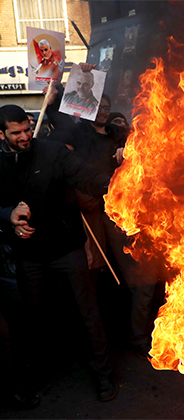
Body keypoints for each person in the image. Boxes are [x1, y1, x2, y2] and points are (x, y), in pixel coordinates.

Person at [0, 104, 116, 402]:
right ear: (2, 134)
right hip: (29, 255)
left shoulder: (52, 152)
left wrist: (116, 185)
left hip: (67, 247)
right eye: (16, 133)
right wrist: (8, 216)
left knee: (88, 312)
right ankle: (30, 381)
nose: (25, 136)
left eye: (27, 129)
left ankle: (104, 376)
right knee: (31, 320)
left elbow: (86, 176)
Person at [48, 71, 159, 359]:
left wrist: (128, 151)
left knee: (143, 280)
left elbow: (145, 144)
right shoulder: (80, 134)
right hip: (95, 216)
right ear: (90, 108)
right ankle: (96, 341)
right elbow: (61, 126)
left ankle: (137, 337)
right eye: (99, 106)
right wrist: (55, 96)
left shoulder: (115, 134)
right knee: (94, 278)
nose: (105, 111)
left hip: (127, 214)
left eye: (108, 107)